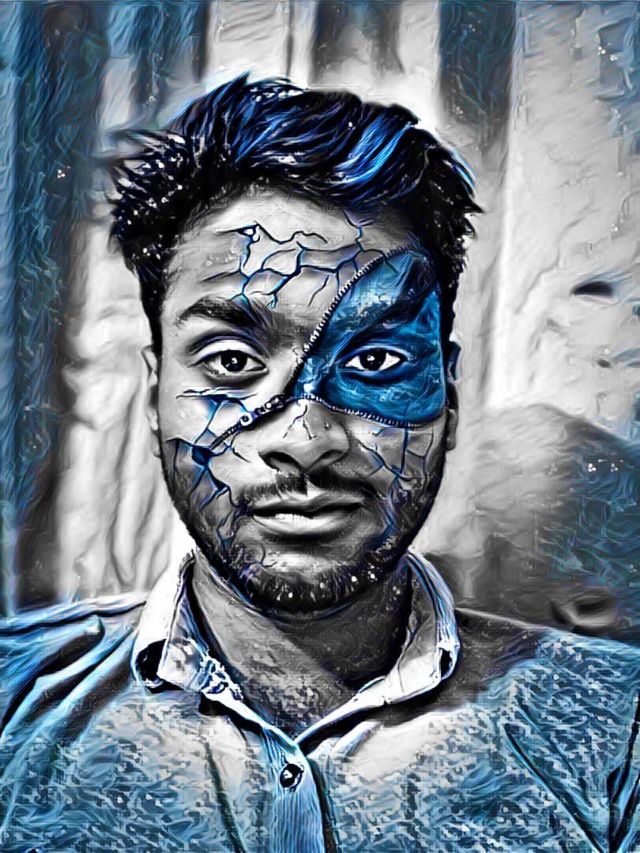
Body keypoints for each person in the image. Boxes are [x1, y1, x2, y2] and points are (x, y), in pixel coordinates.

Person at [0, 75, 638, 852]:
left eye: (375, 359)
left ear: (448, 389)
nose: (305, 440)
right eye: (232, 360)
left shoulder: (618, 732)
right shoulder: (11, 709)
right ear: (156, 391)